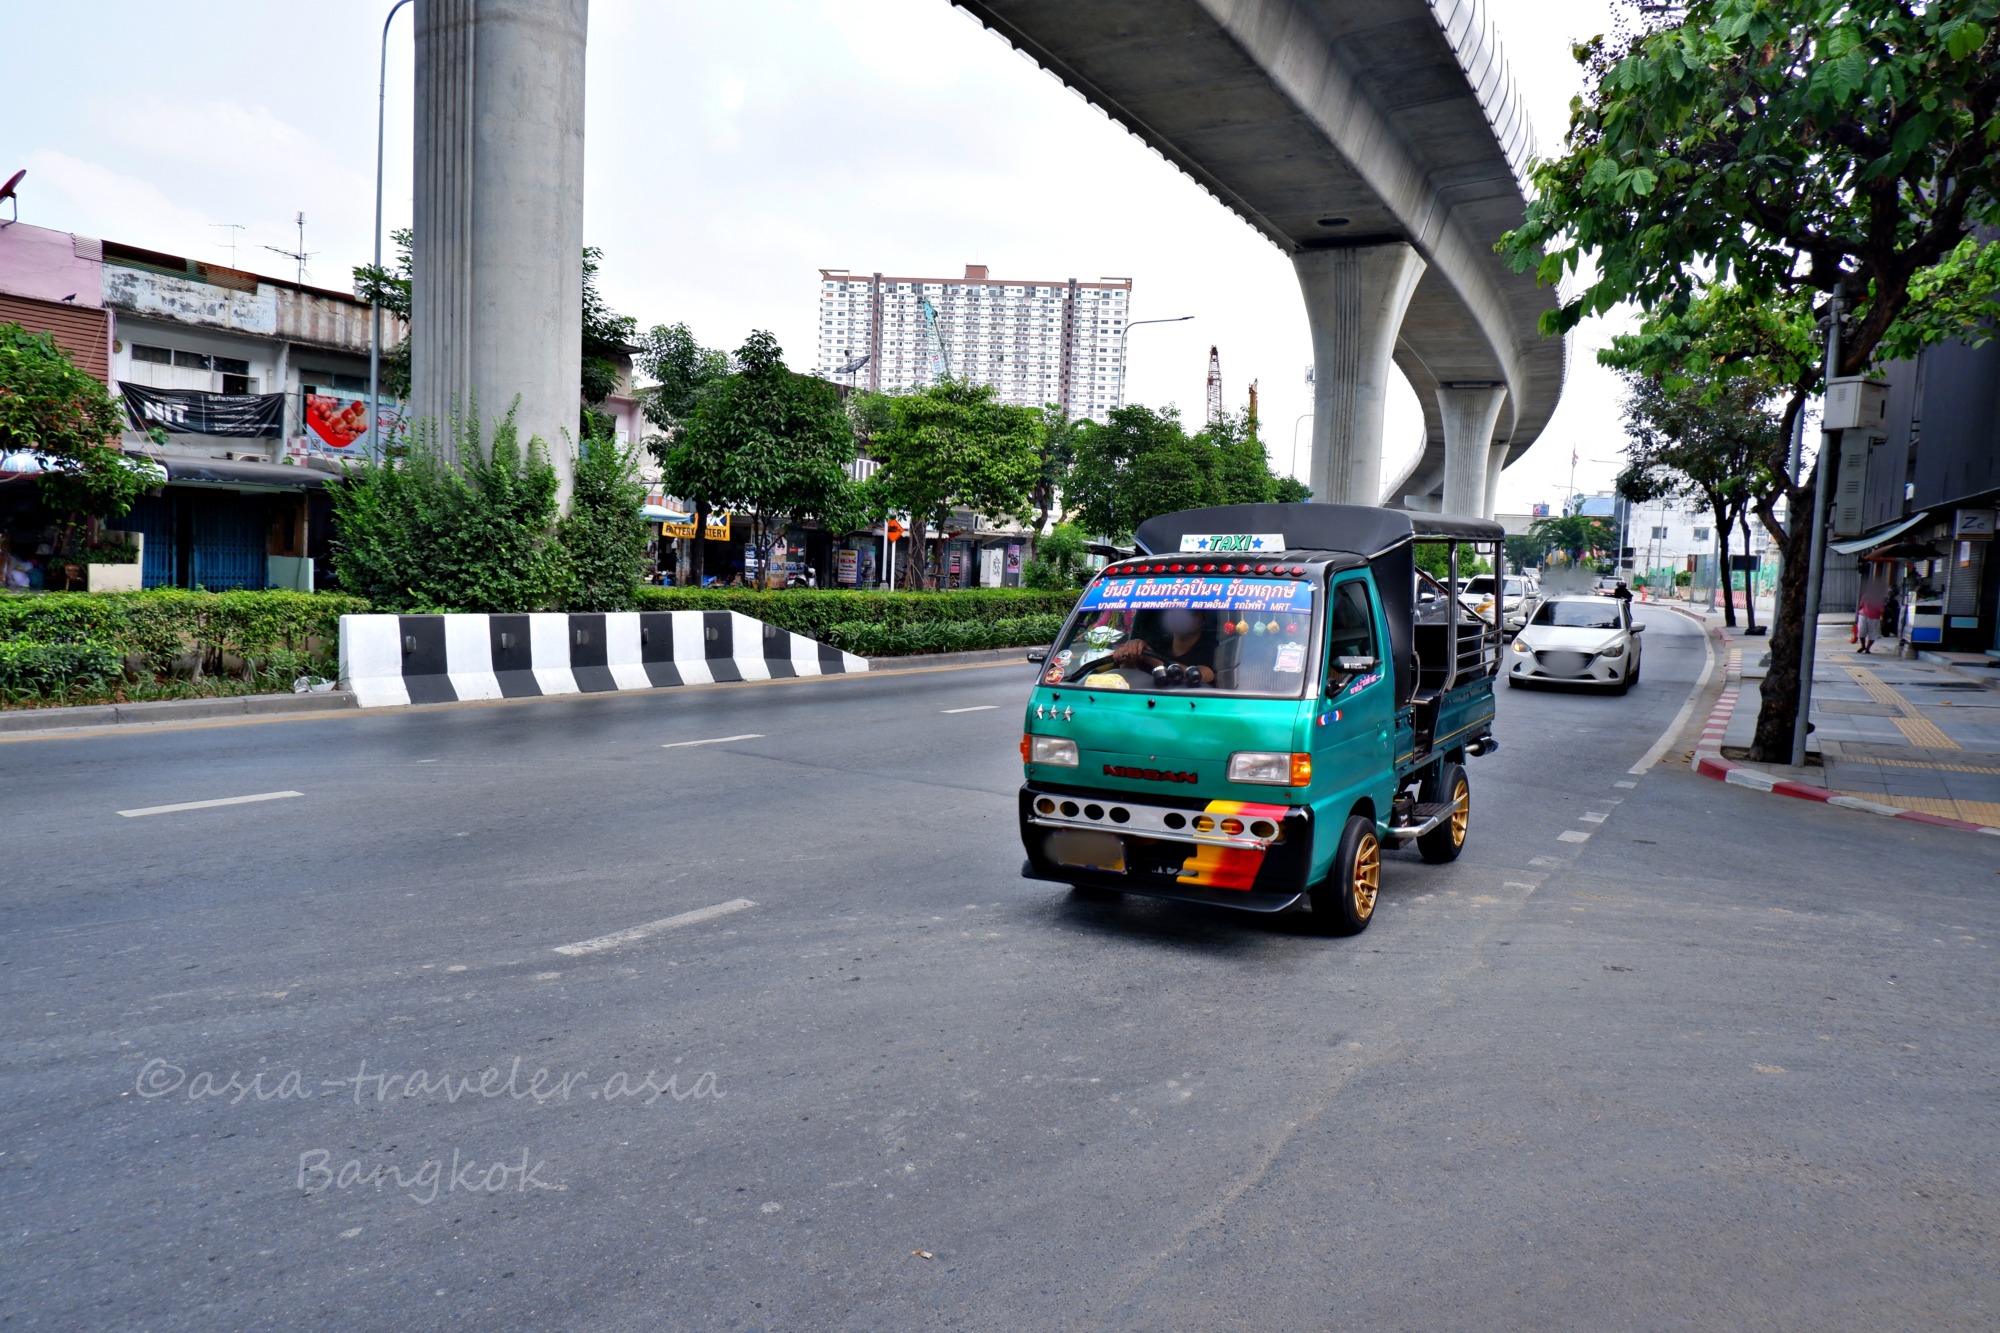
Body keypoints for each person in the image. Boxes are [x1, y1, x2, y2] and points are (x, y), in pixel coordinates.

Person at [1110, 607, 1217, 684]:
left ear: (1203, 618)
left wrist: (1151, 658)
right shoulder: (1155, 644)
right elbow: (1129, 680)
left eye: (1189, 611)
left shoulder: (1214, 650)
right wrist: (1130, 658)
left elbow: (1201, 676)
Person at [1856, 587, 1884, 654]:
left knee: (1873, 634)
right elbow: (1861, 606)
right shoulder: (1865, 596)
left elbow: (1881, 610)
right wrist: (1857, 616)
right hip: (1863, 615)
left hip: (1874, 618)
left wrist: (1882, 619)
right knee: (1861, 631)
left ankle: (1867, 648)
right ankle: (1863, 646)